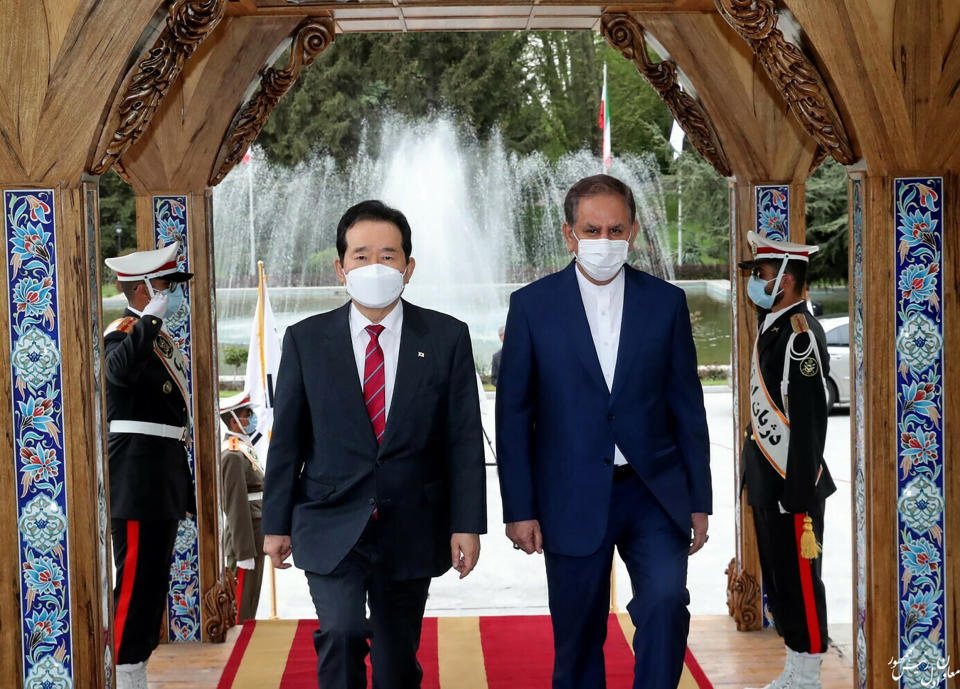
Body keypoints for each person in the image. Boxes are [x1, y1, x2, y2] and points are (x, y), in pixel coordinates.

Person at [496, 174, 712, 689]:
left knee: (665, 603)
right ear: (570, 235)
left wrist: (698, 500)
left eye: (616, 229)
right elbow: (512, 415)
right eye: (592, 230)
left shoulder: (666, 303)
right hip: (568, 495)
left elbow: (688, 408)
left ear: (634, 230)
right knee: (578, 638)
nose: (605, 241)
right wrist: (519, 508)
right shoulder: (532, 306)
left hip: (652, 492)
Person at [261, 200, 487, 689]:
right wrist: (275, 523)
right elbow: (288, 442)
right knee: (340, 633)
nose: (375, 266)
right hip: (329, 517)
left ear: (409, 266)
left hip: (412, 524)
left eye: (388, 255)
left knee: (396, 661)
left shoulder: (447, 337)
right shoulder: (305, 340)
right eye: (361, 255)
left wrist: (467, 524)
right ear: (340, 266)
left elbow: (464, 440)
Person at [738, 232, 835, 689]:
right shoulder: (774, 324)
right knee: (780, 582)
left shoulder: (800, 335)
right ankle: (795, 664)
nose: (754, 282)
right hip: (768, 481)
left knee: (801, 583)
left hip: (791, 487)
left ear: (788, 280)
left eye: (761, 275)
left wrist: (796, 495)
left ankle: (810, 674)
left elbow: (811, 421)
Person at [103, 242, 194, 689]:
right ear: (142, 291)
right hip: (137, 478)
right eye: (165, 286)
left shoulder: (153, 339)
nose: (173, 294)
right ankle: (122, 669)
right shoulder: (123, 334)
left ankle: (136, 664)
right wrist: (150, 319)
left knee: (153, 581)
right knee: (136, 580)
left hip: (160, 477)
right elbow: (117, 372)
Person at [219, 392, 266, 623]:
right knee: (241, 606)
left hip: (255, 531)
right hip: (245, 539)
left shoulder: (243, 450)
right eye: (248, 415)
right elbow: (235, 506)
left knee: (251, 599)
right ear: (232, 420)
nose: (252, 419)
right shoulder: (232, 454)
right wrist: (244, 551)